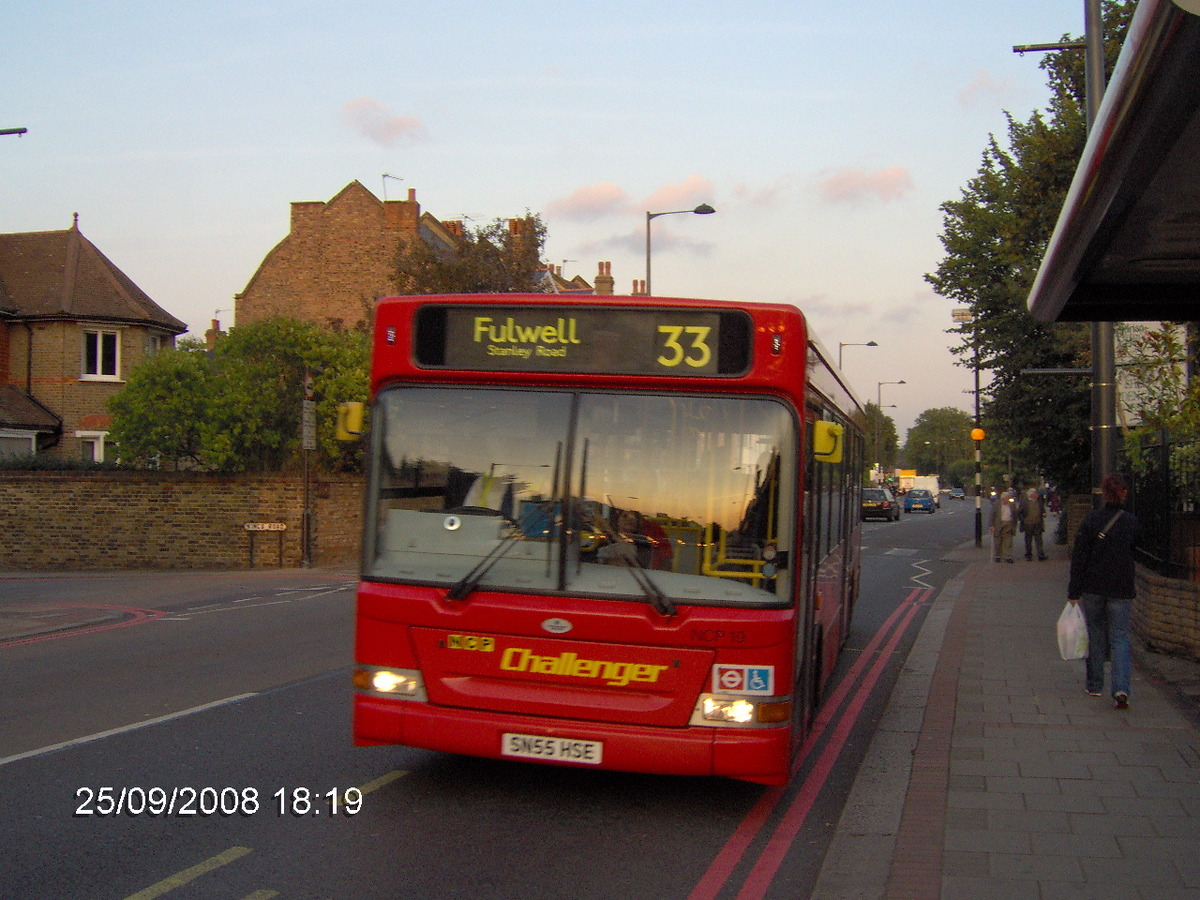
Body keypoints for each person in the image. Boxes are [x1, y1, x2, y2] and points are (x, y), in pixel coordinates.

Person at [1068, 473, 1144, 709]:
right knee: (1120, 637)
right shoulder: (1131, 522)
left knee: (1096, 634)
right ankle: (1121, 687)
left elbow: (1080, 557)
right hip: (1121, 588)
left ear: (1103, 493)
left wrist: (1074, 590)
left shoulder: (1092, 521)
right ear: (1122, 494)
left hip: (1093, 587)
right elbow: (1138, 550)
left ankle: (1094, 684)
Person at [1018, 487, 1048, 561]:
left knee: (1039, 540)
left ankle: (1040, 555)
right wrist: (1023, 520)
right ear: (1031, 494)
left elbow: (1042, 510)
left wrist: (1044, 513)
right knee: (1028, 540)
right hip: (1028, 524)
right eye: (1036, 493)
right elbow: (1019, 512)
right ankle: (1028, 555)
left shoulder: (1039, 501)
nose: (1037, 495)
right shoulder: (1025, 502)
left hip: (1038, 523)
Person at [990, 487, 1018, 563]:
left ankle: (1008, 556)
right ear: (1002, 499)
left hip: (1008, 523)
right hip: (999, 523)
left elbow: (1015, 515)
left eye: (1008, 498)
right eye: (1006, 499)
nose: (1007, 500)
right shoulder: (997, 504)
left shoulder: (1011, 505)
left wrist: (1014, 525)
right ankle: (998, 555)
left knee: (1008, 541)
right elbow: (992, 515)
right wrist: (991, 525)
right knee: (998, 541)